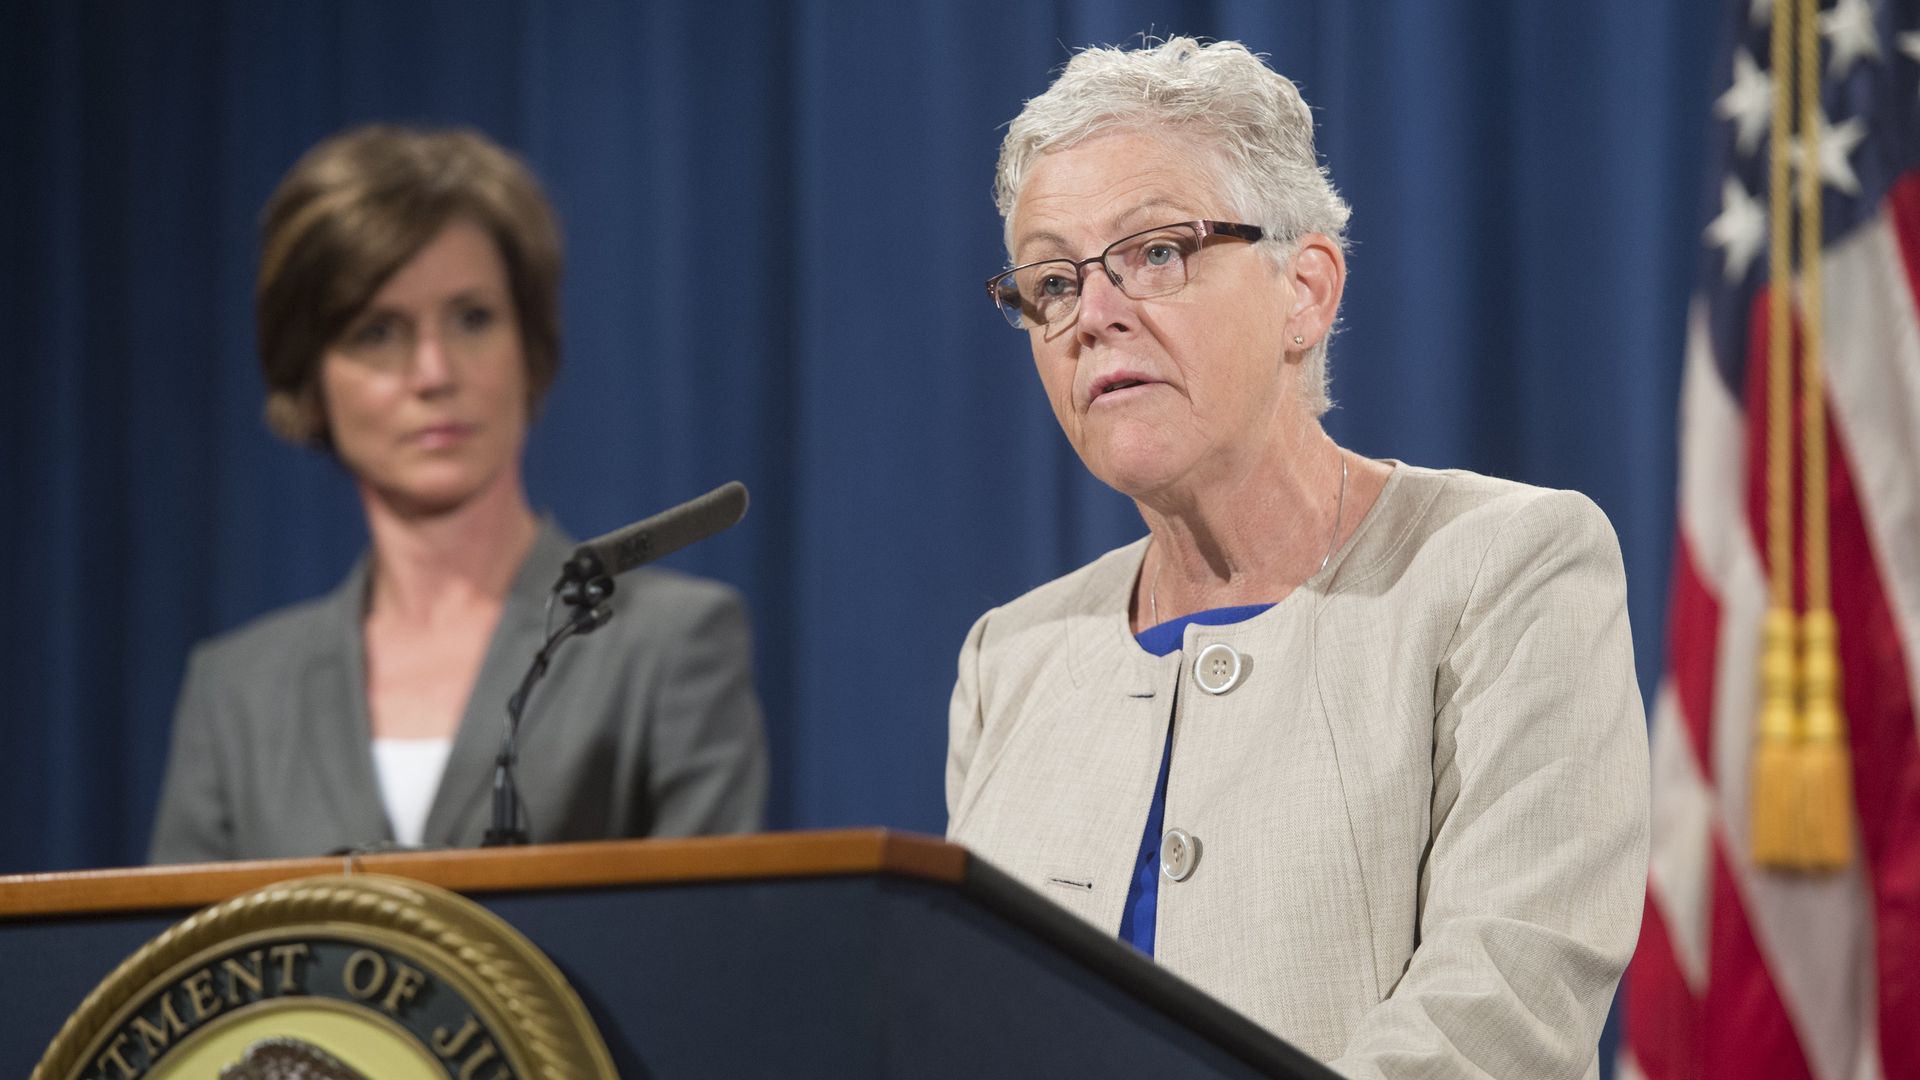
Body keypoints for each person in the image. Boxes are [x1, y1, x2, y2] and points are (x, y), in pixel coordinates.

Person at [948, 38, 1648, 1079]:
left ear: (1306, 291)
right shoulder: (1010, 659)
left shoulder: (1507, 569)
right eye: (1052, 281)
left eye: (1155, 253)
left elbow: (1506, 1006)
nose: (1092, 316)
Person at [150, 125, 767, 862]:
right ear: (310, 379)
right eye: (378, 332)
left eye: (472, 318)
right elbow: (188, 940)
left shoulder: (670, 643)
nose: (435, 372)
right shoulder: (237, 692)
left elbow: (707, 930)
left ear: (529, 349)